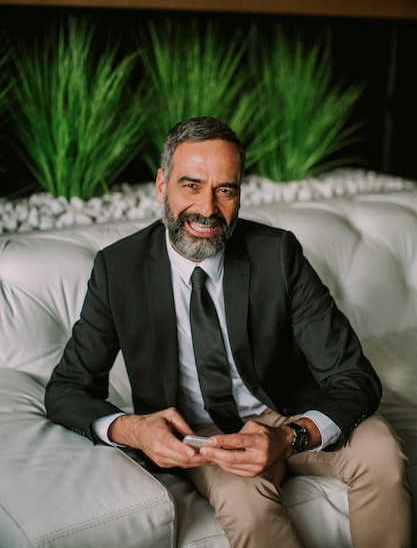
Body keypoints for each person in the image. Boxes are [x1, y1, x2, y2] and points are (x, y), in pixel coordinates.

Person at [45, 116, 412, 548]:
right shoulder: (117, 270)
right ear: (161, 185)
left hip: (288, 413)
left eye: (225, 189)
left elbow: (354, 376)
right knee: (247, 507)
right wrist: (134, 429)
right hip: (199, 432)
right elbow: (67, 389)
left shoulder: (277, 254)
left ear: (239, 194)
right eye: (191, 185)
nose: (207, 208)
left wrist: (290, 437)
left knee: (382, 450)